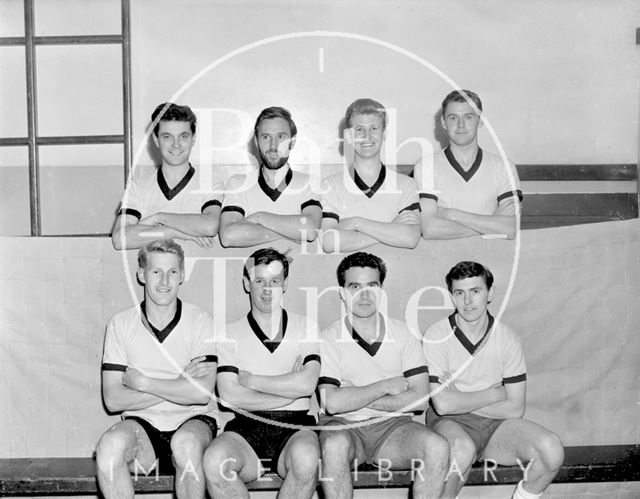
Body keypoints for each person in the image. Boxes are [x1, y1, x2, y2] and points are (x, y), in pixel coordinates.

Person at [423, 261, 564, 499]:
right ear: (451, 297)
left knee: (551, 449)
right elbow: (443, 406)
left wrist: (462, 398)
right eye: (460, 293)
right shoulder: (437, 335)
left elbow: (516, 408)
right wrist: (495, 393)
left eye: (475, 291)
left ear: (490, 293)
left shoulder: (507, 338)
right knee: (461, 450)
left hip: (495, 427)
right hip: (450, 424)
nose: (467, 301)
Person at [318, 252, 449, 499]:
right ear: (342, 292)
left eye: (372, 286)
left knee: (438, 447)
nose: (364, 295)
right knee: (334, 446)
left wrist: (354, 394)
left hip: (393, 428)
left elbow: (420, 400)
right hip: (344, 428)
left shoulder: (403, 333)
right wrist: (386, 386)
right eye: (355, 286)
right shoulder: (328, 338)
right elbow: (332, 404)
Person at [96, 239, 218, 499]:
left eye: (172, 272)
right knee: (108, 449)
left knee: (185, 445)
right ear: (141, 275)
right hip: (144, 424)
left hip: (192, 420)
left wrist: (144, 383)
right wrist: (178, 380)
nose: (164, 281)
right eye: (156, 272)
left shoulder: (201, 321)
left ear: (182, 274)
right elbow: (113, 399)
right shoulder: (121, 324)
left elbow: (200, 394)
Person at [203, 248, 321, 498]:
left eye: (275, 282)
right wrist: (286, 394)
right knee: (215, 462)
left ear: (285, 284)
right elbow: (230, 395)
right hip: (247, 427)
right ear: (247, 283)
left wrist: (250, 380)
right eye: (259, 281)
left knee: (307, 459)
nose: (267, 290)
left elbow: (307, 385)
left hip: (295, 426)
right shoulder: (228, 333)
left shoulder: (306, 326)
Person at [112, 103, 223, 250]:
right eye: (167, 137)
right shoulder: (139, 186)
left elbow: (210, 226)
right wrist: (173, 232)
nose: (176, 145)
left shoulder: (209, 182)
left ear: (193, 138)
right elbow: (120, 239)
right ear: (156, 139)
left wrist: (159, 218)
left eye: (183, 136)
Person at [414, 90, 522, 240]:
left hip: (492, 256)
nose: (461, 125)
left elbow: (510, 228)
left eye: (468, 117)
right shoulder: (426, 166)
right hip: (443, 258)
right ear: (444, 122)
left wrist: (450, 214)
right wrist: (490, 226)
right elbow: (430, 229)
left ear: (480, 120)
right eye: (453, 118)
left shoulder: (503, 166)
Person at [320, 99, 421, 252]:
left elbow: (410, 238)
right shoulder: (330, 185)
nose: (367, 136)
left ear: (384, 134)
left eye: (374, 128)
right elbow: (329, 242)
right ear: (348, 135)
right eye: (359, 129)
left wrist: (356, 223)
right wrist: (391, 228)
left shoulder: (406, 184)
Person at [219, 107, 322, 247]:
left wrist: (259, 217)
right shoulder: (238, 183)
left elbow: (310, 230)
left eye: (281, 137)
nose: (274, 146)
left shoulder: (309, 182)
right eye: (266, 137)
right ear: (256, 141)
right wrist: (291, 232)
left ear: (292, 141)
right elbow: (228, 236)